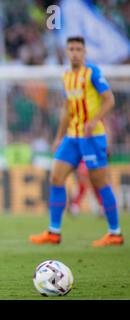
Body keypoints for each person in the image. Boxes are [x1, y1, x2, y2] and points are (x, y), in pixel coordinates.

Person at [29, 36, 123, 247]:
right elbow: (67, 109)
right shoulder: (66, 77)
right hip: (72, 136)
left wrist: (95, 120)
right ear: (66, 51)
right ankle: (54, 231)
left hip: (92, 136)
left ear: (84, 52)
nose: (74, 53)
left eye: (78, 49)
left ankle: (115, 233)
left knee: (100, 182)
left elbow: (110, 100)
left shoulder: (93, 73)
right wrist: (58, 136)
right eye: (71, 49)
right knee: (56, 177)